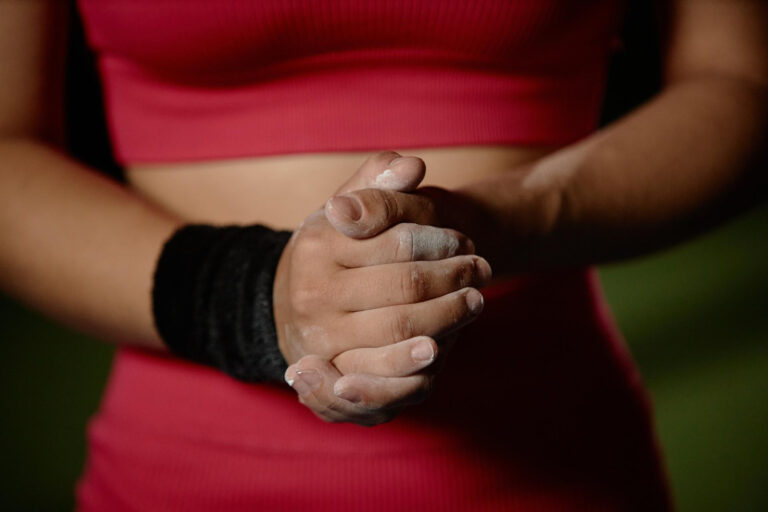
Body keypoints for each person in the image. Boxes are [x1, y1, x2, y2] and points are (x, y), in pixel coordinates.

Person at [1, 0, 765, 510]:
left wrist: (489, 225)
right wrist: (253, 295)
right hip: (179, 474)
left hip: (554, 465)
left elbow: (738, 85)